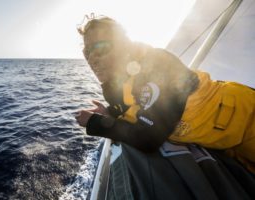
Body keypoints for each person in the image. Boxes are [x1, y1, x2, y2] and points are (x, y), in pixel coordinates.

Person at [75, 14, 255, 173]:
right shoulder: (119, 83)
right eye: (87, 52)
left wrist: (95, 122)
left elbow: (150, 138)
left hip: (247, 119)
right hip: (225, 141)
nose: (91, 58)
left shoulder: (157, 64)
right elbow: (139, 109)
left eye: (99, 48)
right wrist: (110, 113)